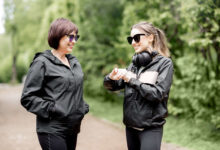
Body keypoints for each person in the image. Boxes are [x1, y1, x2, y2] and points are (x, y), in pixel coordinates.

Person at [21, 18, 89, 150]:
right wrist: (53, 109)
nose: (74, 41)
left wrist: (82, 107)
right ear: (57, 35)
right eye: (70, 37)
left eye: (76, 37)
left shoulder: (74, 62)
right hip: (51, 129)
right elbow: (27, 98)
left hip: (72, 128)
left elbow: (75, 90)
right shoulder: (42, 62)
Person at [104, 22, 173, 150]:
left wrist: (131, 80)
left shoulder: (165, 64)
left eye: (136, 38)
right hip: (130, 127)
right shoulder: (134, 64)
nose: (133, 43)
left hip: (151, 128)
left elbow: (158, 94)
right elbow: (112, 86)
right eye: (130, 39)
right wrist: (110, 78)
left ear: (151, 37)